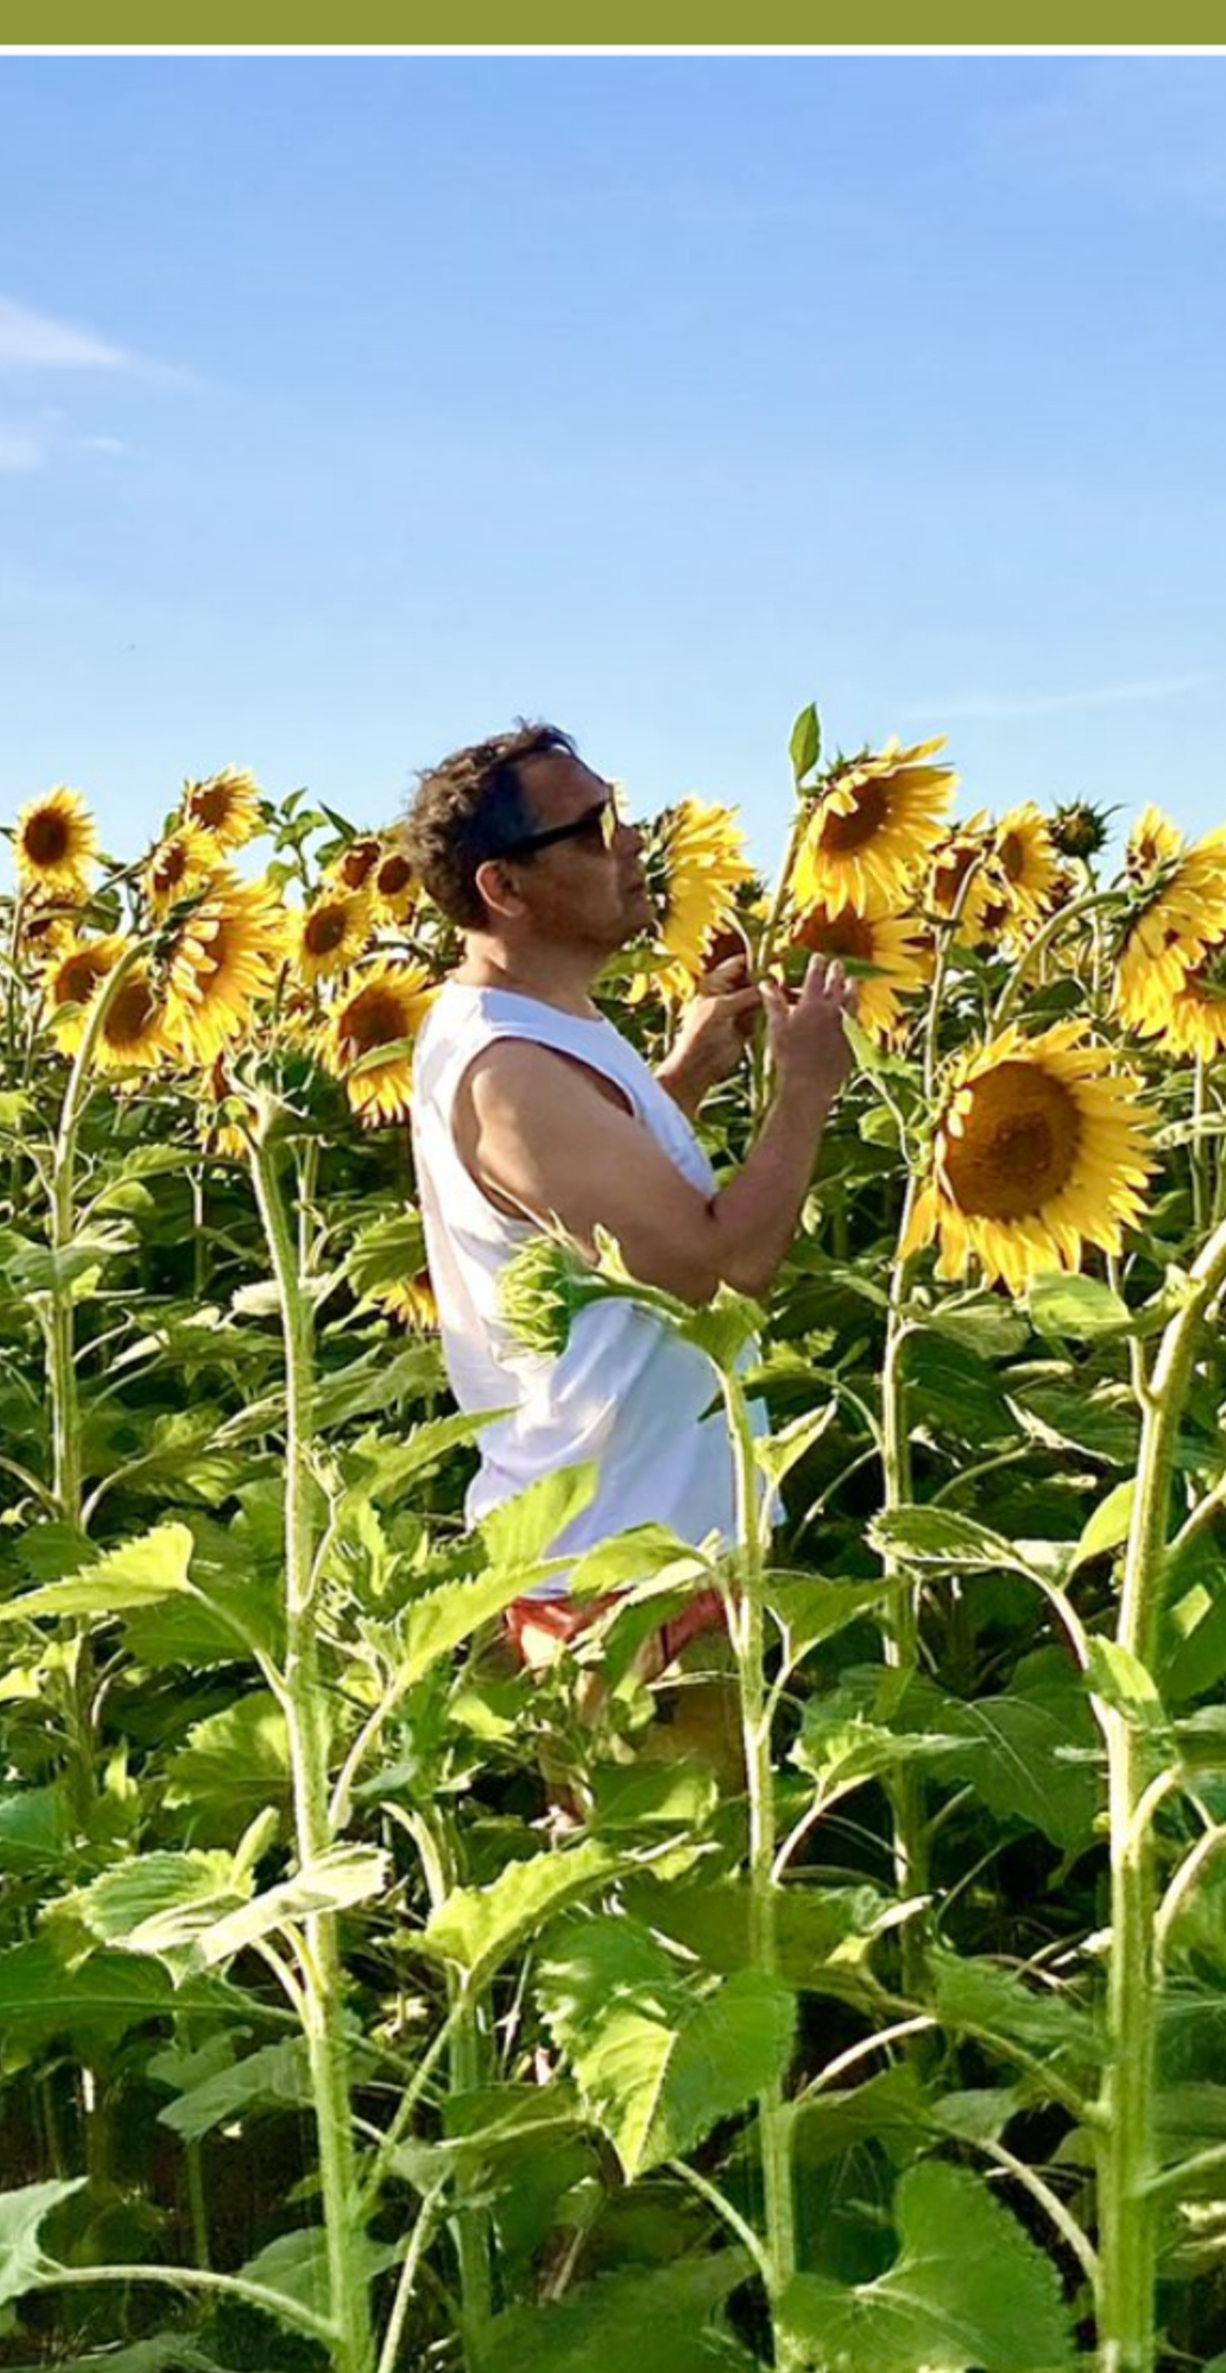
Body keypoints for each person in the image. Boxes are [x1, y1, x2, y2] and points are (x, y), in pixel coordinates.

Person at [398, 721, 859, 1804]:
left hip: (648, 1547)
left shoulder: (531, 1026)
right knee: (668, 1908)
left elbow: (580, 1202)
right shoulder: (512, 1070)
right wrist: (806, 1093)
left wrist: (683, 1075)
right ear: (505, 887)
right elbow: (716, 1269)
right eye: (595, 826)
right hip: (623, 1581)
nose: (633, 839)